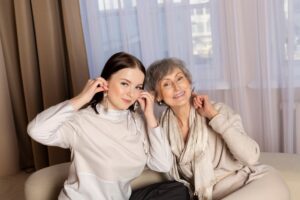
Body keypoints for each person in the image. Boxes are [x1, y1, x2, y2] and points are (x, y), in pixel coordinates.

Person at [27, 52, 189, 200]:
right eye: (125, 84)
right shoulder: (81, 121)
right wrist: (82, 98)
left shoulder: (137, 122)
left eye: (138, 87)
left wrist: (149, 116)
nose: (131, 94)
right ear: (105, 82)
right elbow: (37, 130)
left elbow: (162, 164)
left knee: (178, 190)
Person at [146, 57, 290, 200]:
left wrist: (213, 116)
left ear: (189, 82)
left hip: (255, 182)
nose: (177, 88)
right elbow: (163, 166)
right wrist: (148, 114)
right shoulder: (163, 130)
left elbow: (251, 157)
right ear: (157, 96)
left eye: (179, 79)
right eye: (166, 84)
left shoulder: (217, 110)